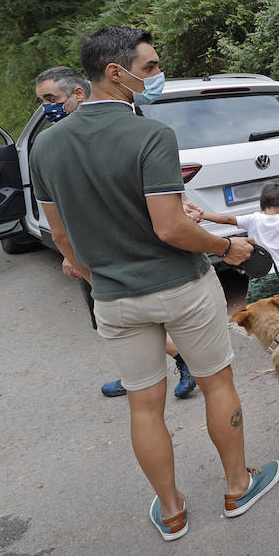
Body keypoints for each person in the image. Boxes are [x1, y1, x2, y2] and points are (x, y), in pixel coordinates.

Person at [29, 27, 279, 541]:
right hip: (181, 287)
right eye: (149, 69)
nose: (156, 77)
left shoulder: (47, 146)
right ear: (115, 73)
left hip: (115, 299)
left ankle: (171, 511)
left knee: (144, 403)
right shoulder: (151, 135)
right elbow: (171, 227)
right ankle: (237, 487)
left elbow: (60, 235)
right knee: (217, 383)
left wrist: (91, 270)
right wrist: (226, 247)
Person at [34, 65, 195, 399]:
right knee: (115, 320)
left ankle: (177, 361)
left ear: (79, 94)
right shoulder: (52, 145)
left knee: (135, 313)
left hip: (132, 250)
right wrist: (70, 254)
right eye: (41, 101)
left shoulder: (122, 128)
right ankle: (136, 370)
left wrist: (71, 255)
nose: (46, 108)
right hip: (93, 251)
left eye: (51, 99)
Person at [191, 182, 279, 307]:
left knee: (255, 307)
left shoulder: (253, 219)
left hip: (261, 272)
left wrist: (203, 216)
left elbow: (227, 219)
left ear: (261, 204)